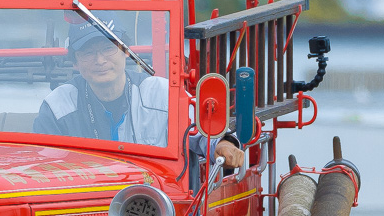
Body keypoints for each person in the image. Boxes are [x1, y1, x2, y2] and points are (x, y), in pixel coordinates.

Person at [35, 24, 246, 166]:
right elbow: (44, 166)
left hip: (157, 207)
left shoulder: (162, 94)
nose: (99, 60)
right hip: (83, 205)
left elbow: (205, 135)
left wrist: (225, 145)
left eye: (108, 49)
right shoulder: (57, 106)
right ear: (75, 62)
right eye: (88, 53)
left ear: (126, 51)